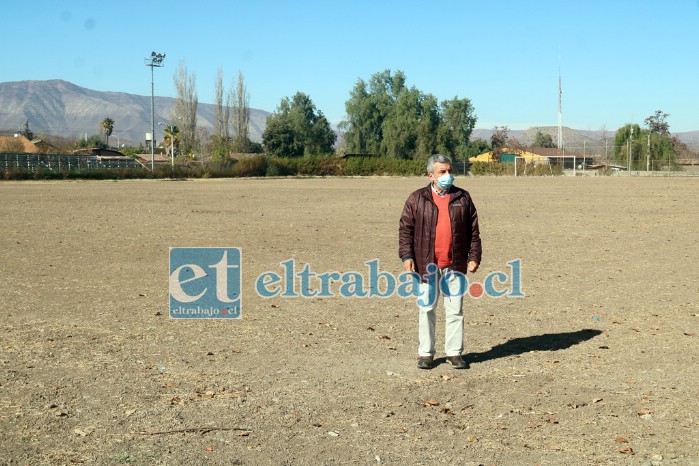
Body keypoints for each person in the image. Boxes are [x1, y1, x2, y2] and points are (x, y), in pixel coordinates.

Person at [399, 154, 482, 369]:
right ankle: (426, 354)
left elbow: (473, 231)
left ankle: (454, 353)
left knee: (455, 310)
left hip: (454, 264)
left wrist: (474, 256)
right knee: (427, 309)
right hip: (426, 264)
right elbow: (405, 229)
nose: (448, 175)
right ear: (431, 175)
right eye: (442, 172)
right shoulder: (417, 199)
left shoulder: (463, 197)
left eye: (449, 171)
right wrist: (407, 256)